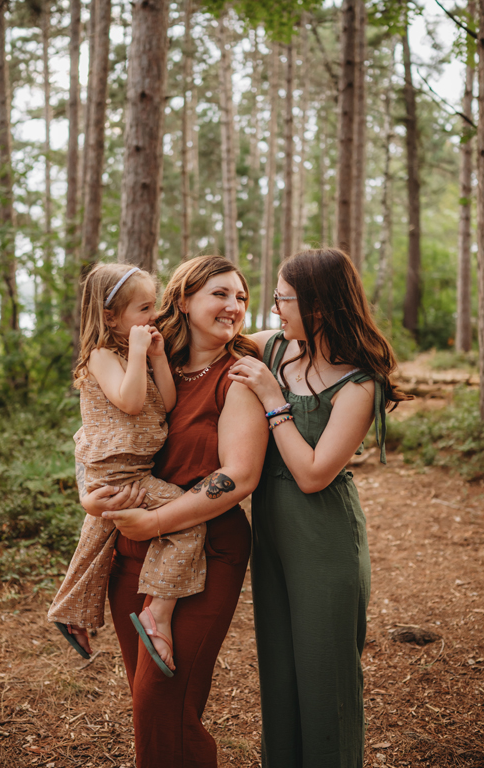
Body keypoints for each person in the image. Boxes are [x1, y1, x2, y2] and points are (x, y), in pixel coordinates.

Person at [79, 255, 268, 768]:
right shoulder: (143, 364)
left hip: (205, 547)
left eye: (241, 297)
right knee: (147, 701)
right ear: (182, 301)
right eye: (220, 294)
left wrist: (157, 521)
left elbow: (239, 477)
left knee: (163, 703)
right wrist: (90, 497)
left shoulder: (237, 377)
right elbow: (95, 438)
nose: (234, 306)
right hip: (131, 549)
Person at [228, 248, 409, 768]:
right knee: (279, 671)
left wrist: (273, 399)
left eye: (283, 298)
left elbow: (312, 474)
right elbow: (208, 340)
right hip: (271, 535)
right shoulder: (272, 346)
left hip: (325, 538)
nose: (274, 309)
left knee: (325, 674)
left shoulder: (360, 382)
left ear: (320, 306)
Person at [48, 263, 207, 675]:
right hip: (121, 472)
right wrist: (138, 354)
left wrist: (156, 357)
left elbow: (165, 404)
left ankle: (71, 613)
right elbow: (131, 402)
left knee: (97, 541)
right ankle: (158, 611)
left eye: (153, 305)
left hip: (129, 469)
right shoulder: (102, 356)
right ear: (110, 317)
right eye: (144, 308)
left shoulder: (133, 355)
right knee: (188, 521)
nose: (153, 316)